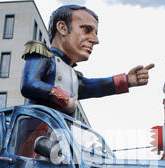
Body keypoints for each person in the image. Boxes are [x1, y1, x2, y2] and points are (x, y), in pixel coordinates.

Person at [20, 4, 154, 115]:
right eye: (87, 30)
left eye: (95, 33)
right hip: (32, 135)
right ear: (62, 28)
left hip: (60, 137)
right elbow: (29, 84)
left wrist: (126, 80)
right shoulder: (42, 55)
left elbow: (96, 87)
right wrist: (64, 98)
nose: (95, 40)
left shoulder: (72, 76)